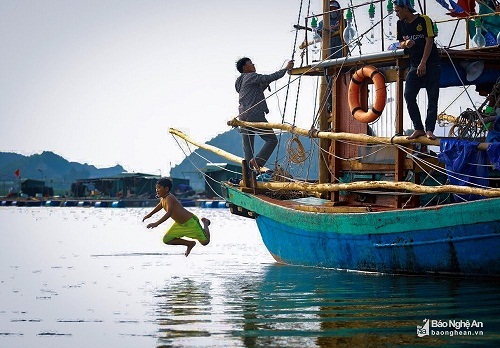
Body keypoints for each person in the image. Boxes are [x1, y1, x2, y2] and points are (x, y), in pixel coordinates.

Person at [235, 57, 294, 171]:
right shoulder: (251, 76)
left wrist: (264, 85)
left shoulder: (239, 81)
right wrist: (286, 69)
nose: (253, 65)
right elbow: (270, 77)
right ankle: (258, 161)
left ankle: (249, 175)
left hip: (243, 116)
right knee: (272, 140)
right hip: (254, 115)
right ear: (245, 67)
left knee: (248, 148)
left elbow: (251, 92)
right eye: (251, 63)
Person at [395, 0, 441, 140]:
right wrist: (405, 43)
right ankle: (418, 127)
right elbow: (399, 43)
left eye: (397, 10)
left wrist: (423, 63)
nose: (396, 13)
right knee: (409, 95)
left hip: (431, 63)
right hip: (414, 64)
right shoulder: (400, 24)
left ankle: (429, 129)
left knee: (432, 96)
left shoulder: (424, 20)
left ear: (406, 8)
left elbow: (429, 41)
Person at [143, 178, 210, 257]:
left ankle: (205, 223)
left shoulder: (169, 197)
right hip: (179, 224)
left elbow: (169, 212)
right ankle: (189, 243)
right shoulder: (163, 198)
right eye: (156, 188)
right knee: (166, 240)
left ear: (166, 189)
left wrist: (156, 223)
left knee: (205, 242)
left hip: (190, 222)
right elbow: (160, 205)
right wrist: (150, 215)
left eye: (159, 188)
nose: (157, 190)